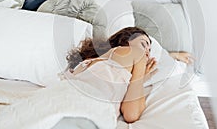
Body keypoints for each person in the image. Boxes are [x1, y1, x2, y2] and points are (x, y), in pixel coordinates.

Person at [62, 27, 194, 123]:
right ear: (126, 41)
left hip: (63, 98)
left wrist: (173, 55)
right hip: (84, 111)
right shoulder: (136, 54)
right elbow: (132, 114)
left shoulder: (96, 61)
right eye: (144, 44)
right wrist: (141, 78)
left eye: (149, 49)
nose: (147, 52)